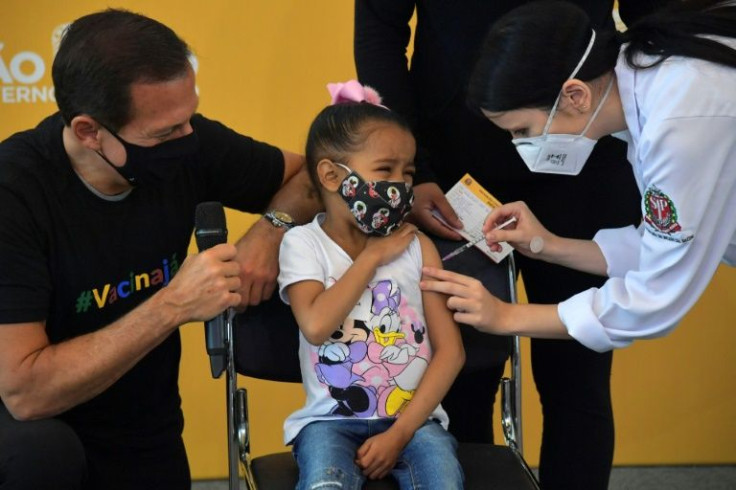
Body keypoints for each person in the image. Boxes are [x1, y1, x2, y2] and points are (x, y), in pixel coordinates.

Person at [0, 9, 320, 490]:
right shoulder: (14, 193)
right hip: (35, 434)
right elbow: (26, 393)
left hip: (144, 427)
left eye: (189, 117)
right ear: (89, 131)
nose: (187, 138)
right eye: (165, 132)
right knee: (43, 453)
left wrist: (268, 232)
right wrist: (172, 305)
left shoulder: (189, 139)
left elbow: (316, 177)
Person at [354, 2, 667, 488]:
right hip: (457, 165)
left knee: (577, 378)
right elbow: (379, 27)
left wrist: (664, 103)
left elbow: (658, 13)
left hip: (586, 148)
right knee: (459, 374)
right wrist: (412, 168)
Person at [421, 1, 735, 351]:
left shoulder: (678, 118)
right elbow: (656, 248)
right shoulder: (641, 78)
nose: (520, 146)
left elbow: (655, 299)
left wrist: (505, 316)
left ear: (575, 95)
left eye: (523, 130)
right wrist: (546, 245)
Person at [277, 81, 465, 489]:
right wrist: (373, 256)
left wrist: (401, 432)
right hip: (328, 423)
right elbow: (315, 325)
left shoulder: (419, 247)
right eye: (385, 170)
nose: (400, 185)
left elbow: (451, 352)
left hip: (414, 421)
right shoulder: (301, 243)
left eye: (408, 172)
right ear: (330, 175)